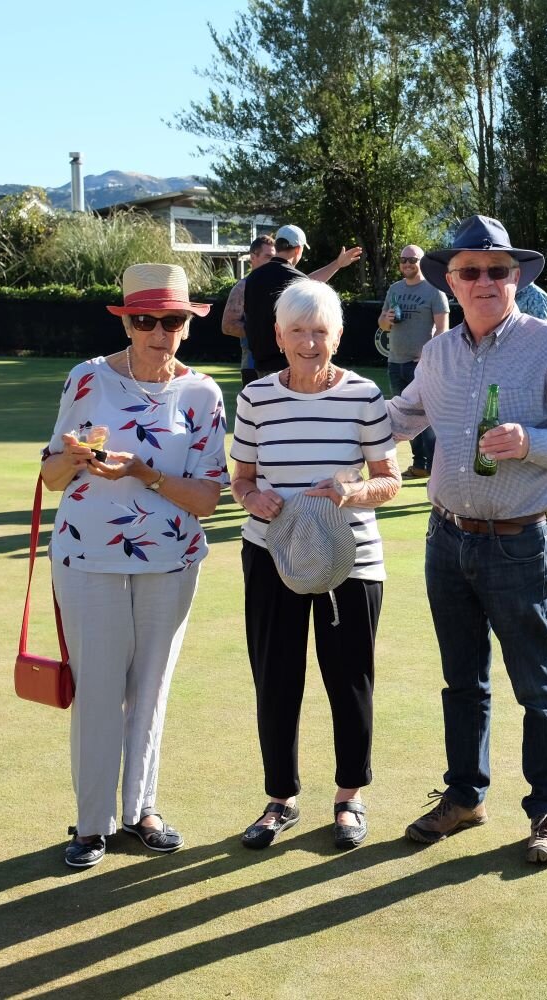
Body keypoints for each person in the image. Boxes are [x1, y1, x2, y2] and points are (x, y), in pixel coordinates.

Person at [390, 214, 547, 864]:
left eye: (497, 269)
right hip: (445, 539)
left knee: (535, 685)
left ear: (514, 277)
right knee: (461, 682)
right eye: (471, 271)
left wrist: (532, 443)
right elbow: (403, 417)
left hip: (517, 542)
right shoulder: (435, 354)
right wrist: (327, 410)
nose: (485, 280)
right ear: (451, 284)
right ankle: (464, 797)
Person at [40, 263, 227, 868]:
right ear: (127, 321)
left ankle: (140, 810)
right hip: (86, 553)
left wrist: (143, 472)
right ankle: (92, 824)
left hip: (171, 559)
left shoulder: (202, 394)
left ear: (187, 326)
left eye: (171, 320)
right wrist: (72, 459)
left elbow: (206, 498)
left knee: (151, 687)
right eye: (144, 320)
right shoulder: (87, 379)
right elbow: (50, 476)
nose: (158, 331)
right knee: (97, 689)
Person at [230, 279, 399, 850]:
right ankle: (280, 798)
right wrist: (254, 499)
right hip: (271, 554)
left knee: (349, 681)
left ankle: (349, 797)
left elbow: (390, 481)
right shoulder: (255, 397)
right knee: (275, 679)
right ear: (278, 336)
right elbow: (241, 479)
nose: (308, 343)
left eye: (319, 331)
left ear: (339, 335)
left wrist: (350, 493)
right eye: (297, 331)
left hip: (351, 560)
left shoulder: (364, 395)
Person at [242, 223, 363, 378]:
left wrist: (337, 264)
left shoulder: (253, 278)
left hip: (259, 364)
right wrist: (338, 264)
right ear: (298, 249)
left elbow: (307, 282)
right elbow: (306, 284)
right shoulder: (296, 279)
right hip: (288, 365)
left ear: (277, 245)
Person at [376, 244, 450, 480]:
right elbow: (382, 324)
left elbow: (443, 329)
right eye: (403, 259)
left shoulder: (433, 290)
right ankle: (419, 465)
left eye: (413, 259)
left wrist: (427, 357)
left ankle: (437, 468)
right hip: (395, 362)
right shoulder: (395, 289)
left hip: (422, 367)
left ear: (421, 262)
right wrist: (386, 320)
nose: (407, 263)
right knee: (403, 421)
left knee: (427, 420)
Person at [221, 235, 276, 385]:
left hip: (282, 364)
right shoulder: (243, 287)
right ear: (253, 257)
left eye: (275, 257)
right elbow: (228, 326)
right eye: (268, 256)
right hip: (253, 365)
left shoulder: (280, 284)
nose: (273, 261)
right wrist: (266, 332)